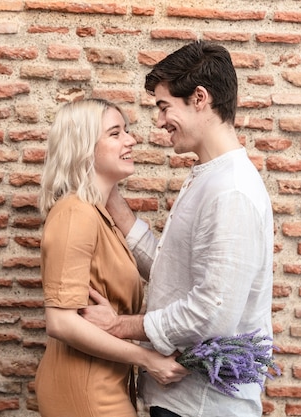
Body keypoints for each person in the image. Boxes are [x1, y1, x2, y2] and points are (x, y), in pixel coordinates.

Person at [79, 41, 275, 417]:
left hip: (202, 405)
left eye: (164, 106)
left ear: (199, 98)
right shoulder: (210, 177)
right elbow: (173, 270)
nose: (158, 120)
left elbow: (212, 313)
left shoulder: (231, 190)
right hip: (180, 400)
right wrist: (111, 196)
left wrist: (119, 326)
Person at [34, 99, 188, 417]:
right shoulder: (76, 213)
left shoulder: (98, 214)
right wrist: (146, 358)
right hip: (85, 391)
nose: (130, 140)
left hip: (107, 382)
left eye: (126, 131)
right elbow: (60, 321)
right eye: (115, 133)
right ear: (84, 146)